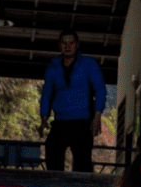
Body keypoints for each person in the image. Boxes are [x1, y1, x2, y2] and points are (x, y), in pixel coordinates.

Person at [38, 29, 107, 172]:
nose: (68, 46)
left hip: (82, 121)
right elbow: (46, 94)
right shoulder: (53, 67)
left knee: (83, 162)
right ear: (59, 45)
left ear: (77, 45)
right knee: (51, 153)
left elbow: (100, 90)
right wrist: (44, 117)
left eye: (71, 42)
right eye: (64, 43)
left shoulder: (89, 64)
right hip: (60, 121)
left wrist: (97, 117)